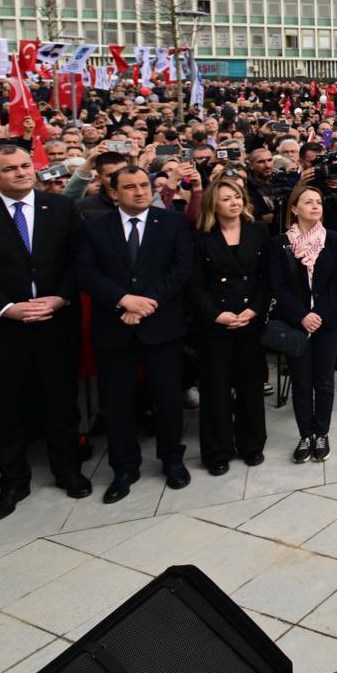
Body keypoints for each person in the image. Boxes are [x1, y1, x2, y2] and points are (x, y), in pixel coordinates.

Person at [0, 144, 91, 523]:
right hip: (1, 329)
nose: (20, 173)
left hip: (54, 323)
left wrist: (60, 299)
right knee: (4, 406)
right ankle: (13, 480)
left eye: (25, 165)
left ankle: (68, 470)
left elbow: (80, 260)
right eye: (9, 169)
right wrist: (7, 308)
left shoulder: (60, 207)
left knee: (60, 399)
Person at [75, 164, 197, 503]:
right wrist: (123, 301)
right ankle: (123, 468)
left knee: (168, 400)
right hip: (115, 328)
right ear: (114, 192)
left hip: (162, 327)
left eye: (144, 185)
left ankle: (172, 460)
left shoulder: (171, 221)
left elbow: (181, 267)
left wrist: (148, 302)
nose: (140, 191)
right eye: (130, 187)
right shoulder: (94, 228)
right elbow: (86, 272)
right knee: (118, 403)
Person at [188, 176, 270, 474]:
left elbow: (265, 278)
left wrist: (254, 309)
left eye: (237, 196)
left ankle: (251, 445)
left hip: (249, 320)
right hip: (215, 324)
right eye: (226, 198)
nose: (234, 202)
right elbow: (194, 284)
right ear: (213, 204)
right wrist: (216, 315)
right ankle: (217, 451)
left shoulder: (258, 231)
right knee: (215, 389)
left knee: (250, 386)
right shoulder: (200, 237)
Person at [269, 185, 337, 463]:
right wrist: (302, 315)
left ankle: (321, 433)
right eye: (308, 202)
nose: (315, 206)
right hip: (295, 322)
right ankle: (305, 434)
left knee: (324, 381)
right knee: (301, 382)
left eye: (319, 202)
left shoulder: (333, 239)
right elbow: (277, 286)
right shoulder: (280, 243)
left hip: (328, 321)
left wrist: (319, 314)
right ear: (294, 209)